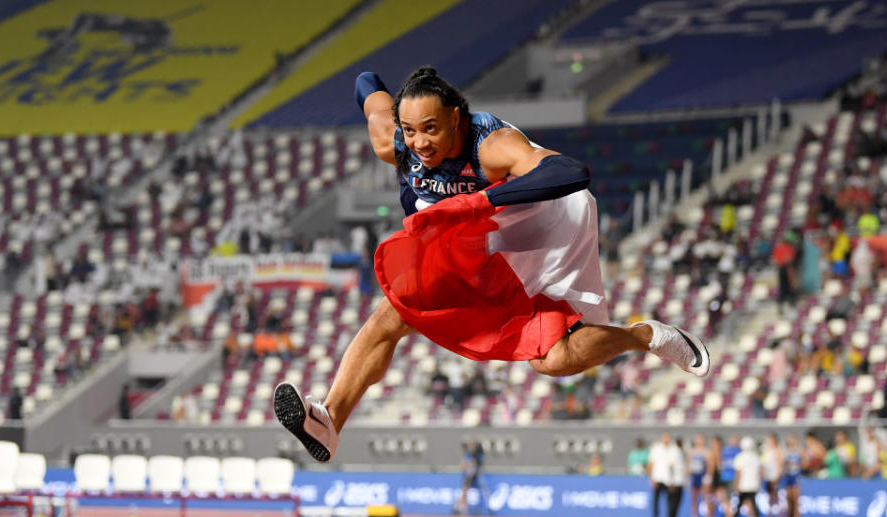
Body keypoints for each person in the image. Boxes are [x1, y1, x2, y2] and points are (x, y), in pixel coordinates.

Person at [272, 67, 712, 462]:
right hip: (473, 241)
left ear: (457, 120)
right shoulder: (397, 142)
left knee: (553, 361)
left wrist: (480, 200)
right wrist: (393, 108)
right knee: (392, 312)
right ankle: (329, 421)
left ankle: (645, 336)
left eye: (431, 128)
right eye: (410, 130)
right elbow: (365, 82)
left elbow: (572, 172)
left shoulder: (492, 145)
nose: (420, 142)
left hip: (542, 225)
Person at [647, 433, 678, 517]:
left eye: (667, 437)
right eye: (664, 437)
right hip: (658, 477)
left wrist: (674, 480)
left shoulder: (673, 449)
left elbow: (674, 466)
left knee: (670, 499)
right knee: (656, 499)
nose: (666, 439)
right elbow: (651, 463)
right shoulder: (656, 449)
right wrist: (651, 477)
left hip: (669, 479)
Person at [732, 437, 762, 517]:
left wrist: (737, 484)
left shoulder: (740, 457)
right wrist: (758, 483)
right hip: (753, 484)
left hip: (743, 484)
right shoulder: (756, 457)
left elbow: (738, 473)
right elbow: (759, 472)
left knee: (740, 503)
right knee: (753, 503)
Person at [453, 440, 486, 515]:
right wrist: (467, 465)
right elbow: (462, 466)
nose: (470, 447)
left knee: (467, 492)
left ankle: (465, 508)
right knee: (464, 492)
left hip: (473, 476)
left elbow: (474, 465)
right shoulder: (467, 455)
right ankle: (462, 508)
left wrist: (470, 466)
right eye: (469, 445)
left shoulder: (475, 456)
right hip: (467, 476)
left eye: (472, 445)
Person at [782, 434, 804, 517]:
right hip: (788, 477)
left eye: (793, 440)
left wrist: (799, 466)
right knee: (789, 498)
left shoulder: (800, 451)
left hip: (796, 476)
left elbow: (805, 463)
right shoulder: (786, 452)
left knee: (796, 498)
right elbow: (783, 464)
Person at [686, 434, 708, 517]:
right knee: (694, 497)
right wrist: (687, 476)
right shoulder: (691, 452)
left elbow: (710, 465)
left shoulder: (706, 452)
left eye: (701, 439)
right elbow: (688, 464)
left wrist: (708, 477)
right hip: (694, 476)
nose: (699, 441)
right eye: (697, 439)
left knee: (705, 497)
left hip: (702, 475)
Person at [761, 433, 783, 517]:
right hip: (768, 477)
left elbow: (780, 464)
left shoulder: (777, 451)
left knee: (775, 497)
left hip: (774, 477)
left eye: (770, 440)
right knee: (770, 497)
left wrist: (778, 476)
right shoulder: (766, 451)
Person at [668, 437, 686, 517]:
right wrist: (672, 481)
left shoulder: (681, 452)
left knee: (678, 500)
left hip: (680, 480)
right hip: (675, 481)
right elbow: (670, 467)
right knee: (673, 500)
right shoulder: (674, 452)